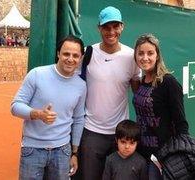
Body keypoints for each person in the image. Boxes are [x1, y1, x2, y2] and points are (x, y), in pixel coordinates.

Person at [133, 34, 195, 179]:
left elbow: (181, 123)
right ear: (135, 56)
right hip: (143, 152)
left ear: (157, 56)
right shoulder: (142, 82)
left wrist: (179, 156)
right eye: (140, 53)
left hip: (164, 156)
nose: (145, 57)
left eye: (150, 53)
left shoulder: (168, 82)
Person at [77, 6, 141, 180]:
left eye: (115, 26)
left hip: (121, 135)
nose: (111, 31)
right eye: (106, 27)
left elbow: (138, 92)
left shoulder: (131, 56)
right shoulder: (88, 53)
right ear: (99, 28)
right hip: (91, 131)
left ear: (122, 27)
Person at [11, 35, 87, 180]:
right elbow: (15, 106)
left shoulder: (81, 86)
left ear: (81, 58)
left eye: (75, 55)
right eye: (66, 54)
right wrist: (37, 114)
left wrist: (75, 153)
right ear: (58, 53)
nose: (70, 59)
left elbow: (78, 119)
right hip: (32, 150)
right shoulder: (37, 74)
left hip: (63, 151)